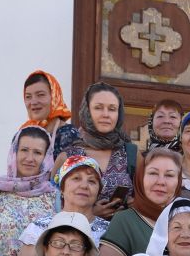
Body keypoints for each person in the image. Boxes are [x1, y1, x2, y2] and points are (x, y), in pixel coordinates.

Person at [16, 154, 112, 256]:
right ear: (62, 187)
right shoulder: (37, 229)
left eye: (92, 181)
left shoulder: (109, 232)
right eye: (76, 178)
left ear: (98, 191)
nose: (84, 186)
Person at [97, 148, 185, 256]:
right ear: (140, 177)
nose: (161, 182)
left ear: (178, 181)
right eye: (153, 173)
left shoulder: (187, 221)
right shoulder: (124, 221)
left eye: (169, 175)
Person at [0, 126, 60, 256]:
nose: (30, 158)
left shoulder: (55, 197)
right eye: (24, 150)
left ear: (46, 157)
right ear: (14, 152)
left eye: (37, 152)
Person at [55, 82, 135, 223]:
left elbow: (145, 199)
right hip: (77, 238)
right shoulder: (68, 157)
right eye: (98, 108)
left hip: (122, 239)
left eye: (112, 109)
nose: (105, 114)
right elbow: (53, 204)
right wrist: (91, 214)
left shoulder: (130, 153)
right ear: (87, 111)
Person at [20, 69, 72, 141]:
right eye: (28, 97)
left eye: (40, 95)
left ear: (54, 97)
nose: (33, 102)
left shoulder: (70, 136)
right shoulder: (22, 133)